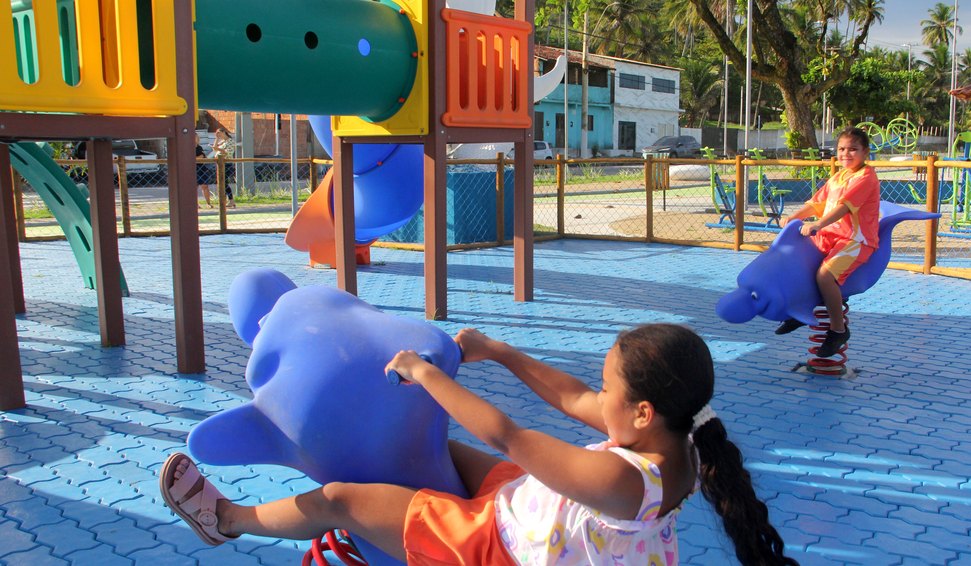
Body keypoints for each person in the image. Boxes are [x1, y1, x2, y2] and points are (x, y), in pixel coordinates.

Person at [159, 324, 797, 565]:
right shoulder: (682, 439)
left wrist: (425, 373)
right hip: (537, 512)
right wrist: (501, 352)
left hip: (500, 548)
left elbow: (509, 436)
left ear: (643, 411)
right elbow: (573, 396)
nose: (597, 397)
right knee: (445, 450)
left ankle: (227, 521)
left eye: (610, 389)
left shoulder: (624, 483)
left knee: (341, 498)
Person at [775, 126, 880, 357]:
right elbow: (816, 204)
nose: (845, 153)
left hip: (855, 240)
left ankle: (838, 330)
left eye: (853, 149)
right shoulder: (839, 176)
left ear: (865, 152)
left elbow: (844, 207)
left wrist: (818, 224)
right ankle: (801, 309)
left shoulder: (866, 177)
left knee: (824, 275)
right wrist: (794, 217)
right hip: (831, 236)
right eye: (841, 149)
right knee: (798, 262)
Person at [211, 128, 236, 208]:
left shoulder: (230, 141)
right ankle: (225, 200)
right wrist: (216, 139)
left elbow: (227, 153)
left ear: (224, 132)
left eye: (219, 133)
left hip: (227, 164)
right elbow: (214, 149)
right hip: (220, 164)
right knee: (222, 183)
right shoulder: (223, 142)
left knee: (224, 183)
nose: (219, 135)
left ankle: (231, 200)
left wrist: (219, 149)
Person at [196, 135, 213, 208]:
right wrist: (198, 158)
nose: (197, 139)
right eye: (195, 138)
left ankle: (208, 203)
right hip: (193, 168)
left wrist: (200, 157)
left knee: (205, 186)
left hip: (202, 168)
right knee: (194, 187)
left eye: (197, 138)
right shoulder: (188, 147)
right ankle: (196, 204)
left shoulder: (199, 147)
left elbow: (203, 156)